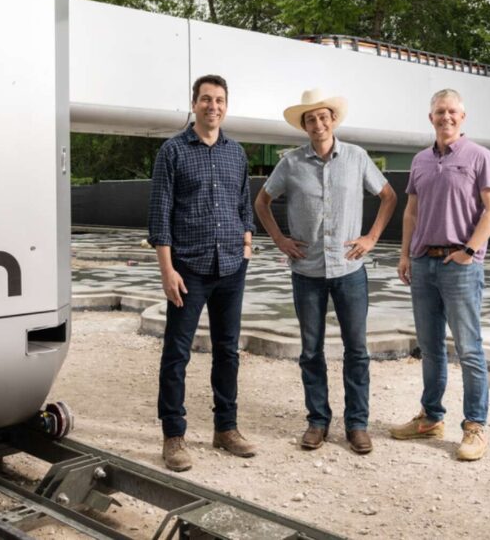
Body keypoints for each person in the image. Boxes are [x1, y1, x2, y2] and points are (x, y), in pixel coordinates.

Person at [254, 89, 397, 454]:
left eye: (323, 117)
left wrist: (371, 237)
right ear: (304, 126)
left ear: (333, 120)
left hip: (350, 268)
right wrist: (280, 240)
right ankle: (317, 421)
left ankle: (357, 424)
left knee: (357, 350)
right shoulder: (290, 163)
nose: (318, 124)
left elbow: (389, 196)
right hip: (307, 271)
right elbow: (262, 201)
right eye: (310, 119)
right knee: (311, 351)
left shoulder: (356, 157)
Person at [148, 74, 257, 472]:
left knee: (227, 351)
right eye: (206, 99)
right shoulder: (172, 152)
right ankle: (173, 435)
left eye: (220, 100)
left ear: (226, 106)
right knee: (177, 353)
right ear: (194, 104)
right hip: (189, 269)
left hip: (231, 266)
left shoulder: (237, 153)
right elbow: (160, 215)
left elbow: (244, 203)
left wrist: (245, 244)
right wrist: (167, 270)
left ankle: (225, 428)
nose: (214, 106)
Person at [390, 88, 490, 462]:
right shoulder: (421, 160)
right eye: (440, 111)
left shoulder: (480, 157)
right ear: (431, 117)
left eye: (453, 111)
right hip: (423, 264)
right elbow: (410, 212)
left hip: (460, 266)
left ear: (463, 117)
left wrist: (469, 251)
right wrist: (405, 254)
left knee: (469, 350)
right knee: (431, 349)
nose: (446, 117)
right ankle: (430, 418)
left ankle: (474, 426)